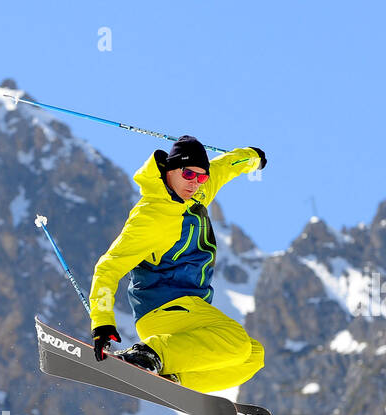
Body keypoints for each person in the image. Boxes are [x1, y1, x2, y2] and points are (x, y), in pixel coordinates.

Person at [88, 135, 267, 393]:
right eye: (188, 174)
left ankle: (171, 380)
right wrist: (102, 321)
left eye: (201, 177)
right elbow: (109, 266)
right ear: (170, 170)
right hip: (162, 309)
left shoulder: (197, 193)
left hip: (188, 308)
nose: (194, 183)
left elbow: (225, 167)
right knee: (237, 343)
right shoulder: (151, 215)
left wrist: (253, 157)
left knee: (253, 356)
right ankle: (147, 354)